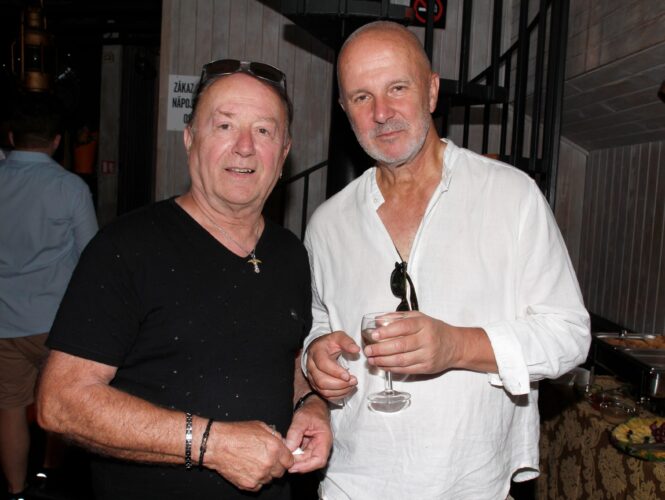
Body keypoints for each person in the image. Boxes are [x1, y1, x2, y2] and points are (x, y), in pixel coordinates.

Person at [302, 21, 591, 499]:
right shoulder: (326, 223)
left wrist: (456, 346)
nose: (381, 113)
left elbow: (569, 335)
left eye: (398, 88)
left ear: (432, 91)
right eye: (361, 97)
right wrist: (316, 355)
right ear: (345, 110)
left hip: (472, 484)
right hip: (351, 482)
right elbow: (318, 321)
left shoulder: (511, 196)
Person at [36, 59, 332, 500]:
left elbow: (281, 358)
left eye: (264, 131)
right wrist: (211, 444)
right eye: (225, 126)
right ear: (190, 138)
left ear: (284, 151)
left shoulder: (290, 252)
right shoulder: (126, 248)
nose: (245, 147)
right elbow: (60, 403)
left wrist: (311, 404)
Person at [0, 91, 98, 499]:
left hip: (4, 322)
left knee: (9, 409)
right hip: (55, 322)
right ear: (57, 141)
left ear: (10, 136)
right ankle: (49, 475)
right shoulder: (69, 187)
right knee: (56, 402)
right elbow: (91, 255)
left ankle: (15, 489)